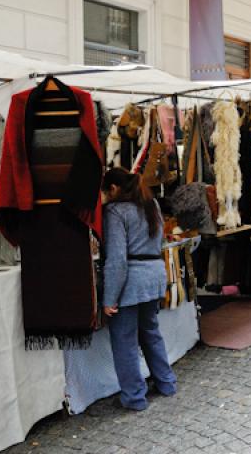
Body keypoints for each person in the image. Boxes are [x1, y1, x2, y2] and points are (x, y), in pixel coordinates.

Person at [102, 168, 177, 411]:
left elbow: (117, 259)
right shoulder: (151, 204)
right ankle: (166, 383)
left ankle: (134, 397)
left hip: (131, 282)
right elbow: (160, 242)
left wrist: (109, 298)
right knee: (150, 332)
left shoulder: (115, 211)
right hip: (154, 276)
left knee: (124, 340)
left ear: (113, 189)